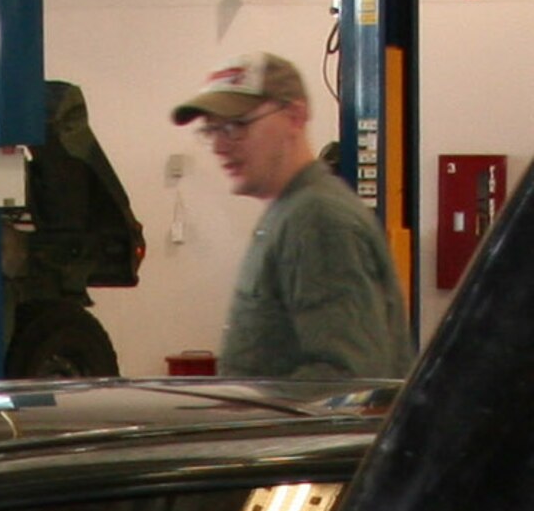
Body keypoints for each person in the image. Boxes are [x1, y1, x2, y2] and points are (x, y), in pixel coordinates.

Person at [172, 51, 415, 381]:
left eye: (236, 126)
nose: (219, 146)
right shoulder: (288, 211)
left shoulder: (316, 219)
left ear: (295, 117)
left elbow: (347, 382)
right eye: (211, 130)